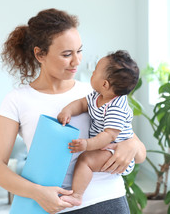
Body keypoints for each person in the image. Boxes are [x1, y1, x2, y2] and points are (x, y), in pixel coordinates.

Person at [0, 8, 146, 214]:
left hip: (108, 201)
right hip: (54, 206)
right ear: (40, 54)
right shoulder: (17, 100)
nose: (77, 61)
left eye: (79, 50)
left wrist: (131, 144)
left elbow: (139, 153)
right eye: (66, 54)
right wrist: (37, 192)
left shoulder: (96, 93)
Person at [57, 50, 139, 206]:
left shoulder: (116, 107)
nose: (92, 73)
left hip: (115, 151)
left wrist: (87, 144)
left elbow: (108, 136)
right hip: (105, 147)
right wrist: (67, 110)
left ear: (105, 84)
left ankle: (77, 195)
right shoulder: (97, 95)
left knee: (85, 160)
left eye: (94, 72)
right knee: (86, 158)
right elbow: (82, 104)